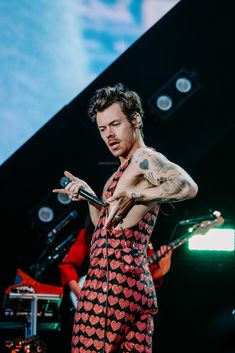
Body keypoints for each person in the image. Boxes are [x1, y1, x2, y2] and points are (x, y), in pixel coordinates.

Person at [53, 83, 198, 353]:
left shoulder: (144, 157)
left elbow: (187, 186)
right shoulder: (123, 169)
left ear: (136, 120)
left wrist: (139, 196)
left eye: (115, 124)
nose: (109, 135)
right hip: (134, 286)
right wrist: (90, 198)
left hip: (110, 285)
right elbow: (106, 227)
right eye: (102, 129)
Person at [58, 213, 172, 311]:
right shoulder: (91, 232)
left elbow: (147, 277)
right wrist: (80, 294)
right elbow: (68, 266)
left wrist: (162, 270)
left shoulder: (142, 238)